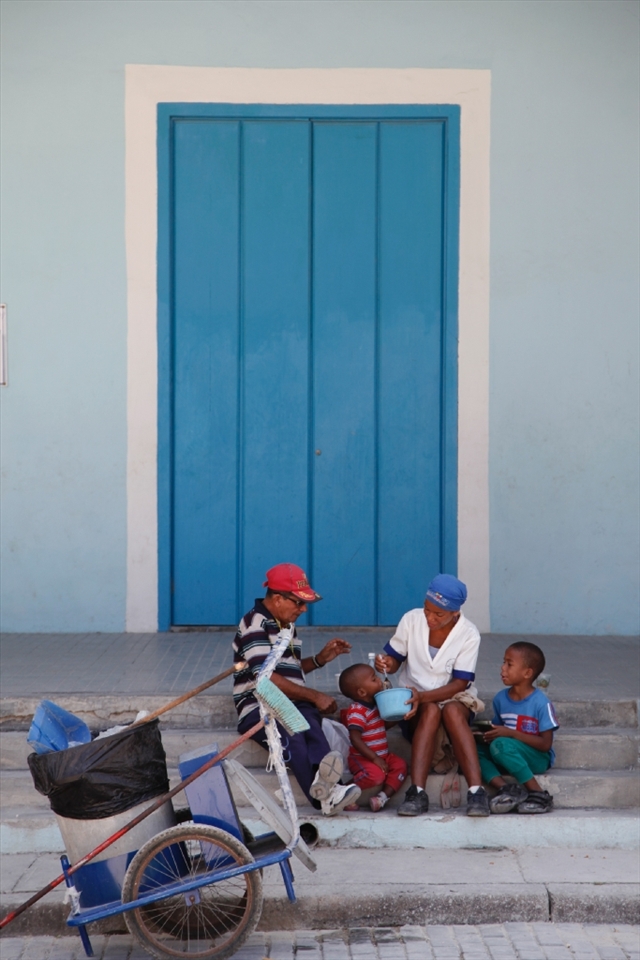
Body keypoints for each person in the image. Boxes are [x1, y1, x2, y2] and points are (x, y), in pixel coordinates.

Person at [232, 562, 361, 816]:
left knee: (312, 727)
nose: (303, 609)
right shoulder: (255, 623)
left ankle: (332, 789)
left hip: (288, 703)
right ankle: (325, 799)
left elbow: (286, 670)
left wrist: (319, 660)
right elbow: (265, 679)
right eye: (298, 603)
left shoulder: (285, 624)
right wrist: (315, 695)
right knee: (295, 741)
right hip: (260, 707)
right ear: (278, 598)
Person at [375, 573, 490, 817]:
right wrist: (386, 663)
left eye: (439, 614)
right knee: (428, 710)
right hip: (415, 703)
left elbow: (460, 683)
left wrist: (423, 697)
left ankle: (477, 792)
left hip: (452, 697)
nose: (430, 617)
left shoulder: (469, 634)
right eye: (428, 610)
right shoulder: (411, 620)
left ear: (455, 613)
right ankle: (416, 793)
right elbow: (395, 660)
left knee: (451, 711)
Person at [476, 642, 557, 814]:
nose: (502, 668)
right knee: (470, 749)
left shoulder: (541, 703)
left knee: (501, 744)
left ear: (527, 673)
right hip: (507, 754)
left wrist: (510, 734)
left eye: (509, 664)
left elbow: (545, 745)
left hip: (536, 757)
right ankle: (508, 790)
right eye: (503, 662)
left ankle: (538, 793)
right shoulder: (500, 699)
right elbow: (499, 730)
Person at [338, 663, 408, 812]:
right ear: (362, 692)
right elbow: (355, 738)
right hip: (363, 758)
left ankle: (382, 797)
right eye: (374, 679)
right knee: (375, 776)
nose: (380, 681)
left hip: (382, 756)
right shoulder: (357, 710)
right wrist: (374, 758)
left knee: (400, 765)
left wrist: (401, 715)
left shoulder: (375, 705)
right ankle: (343, 792)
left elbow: (382, 727)